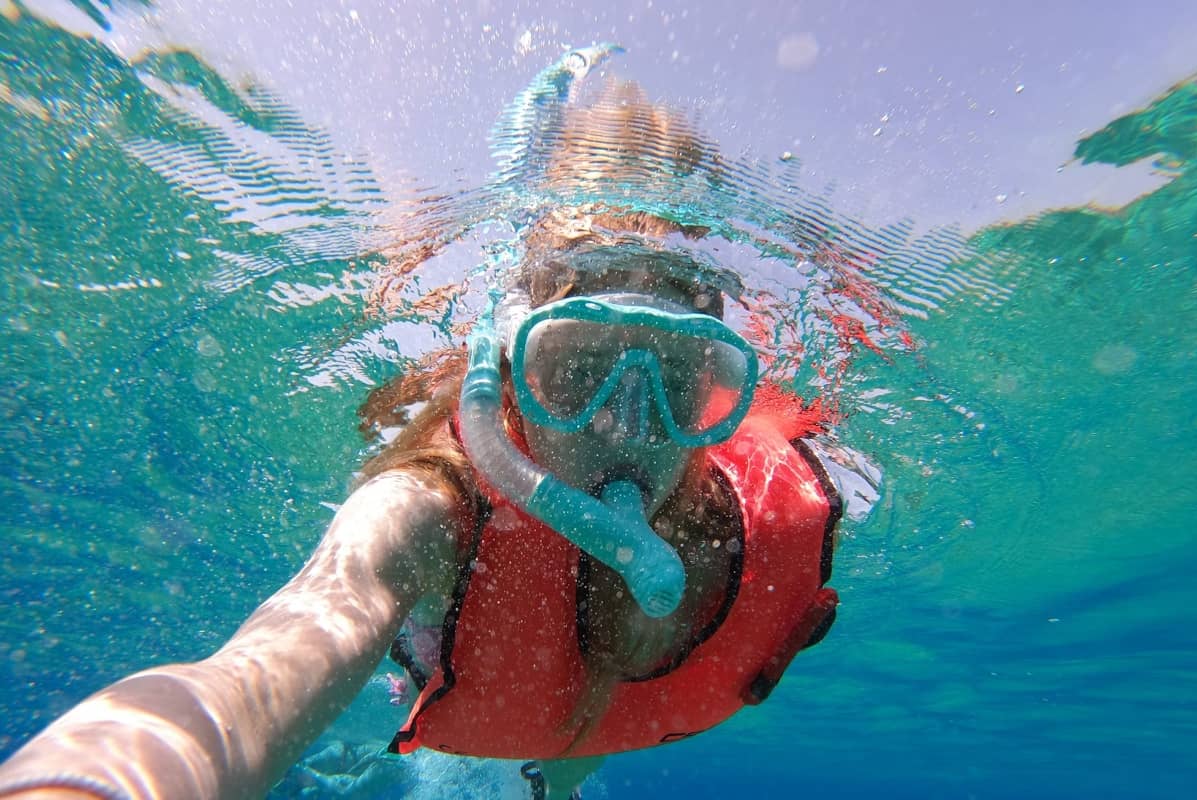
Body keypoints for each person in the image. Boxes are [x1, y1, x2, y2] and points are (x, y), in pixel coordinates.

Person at [0, 49, 844, 800]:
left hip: (577, 724)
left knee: (568, 761)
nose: (627, 427)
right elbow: (243, 684)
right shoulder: (429, 510)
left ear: (719, 386)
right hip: (468, 671)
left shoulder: (765, 508)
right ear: (508, 368)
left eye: (675, 380)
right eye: (578, 373)